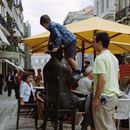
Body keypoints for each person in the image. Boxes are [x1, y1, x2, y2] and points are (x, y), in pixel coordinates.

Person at [92, 32, 120, 130]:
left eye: (93, 42)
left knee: (103, 127)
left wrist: (96, 98)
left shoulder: (100, 58)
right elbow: (118, 77)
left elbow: (102, 79)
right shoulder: (114, 58)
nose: (92, 44)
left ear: (99, 43)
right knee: (109, 125)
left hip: (104, 97)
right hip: (114, 96)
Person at [40, 14, 82, 79]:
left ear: (44, 23)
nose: (45, 28)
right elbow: (51, 38)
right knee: (67, 57)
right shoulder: (52, 27)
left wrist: (56, 47)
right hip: (68, 41)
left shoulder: (52, 26)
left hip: (70, 41)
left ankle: (78, 72)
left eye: (43, 26)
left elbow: (59, 36)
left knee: (69, 58)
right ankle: (74, 71)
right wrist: (48, 47)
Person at [75, 66, 95, 130]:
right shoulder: (88, 81)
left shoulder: (81, 79)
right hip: (83, 104)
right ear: (90, 73)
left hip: (78, 102)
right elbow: (93, 91)